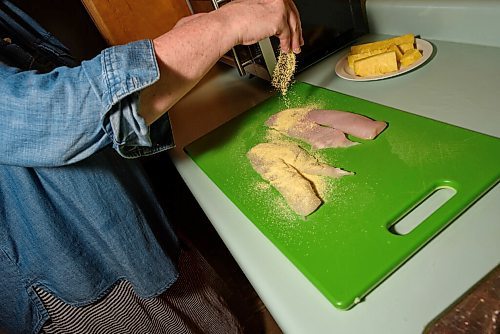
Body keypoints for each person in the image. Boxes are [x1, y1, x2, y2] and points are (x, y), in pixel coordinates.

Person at [0, 0, 303, 333]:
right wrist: (223, 25)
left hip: (131, 227)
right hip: (84, 278)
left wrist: (190, 42)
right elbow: (52, 116)